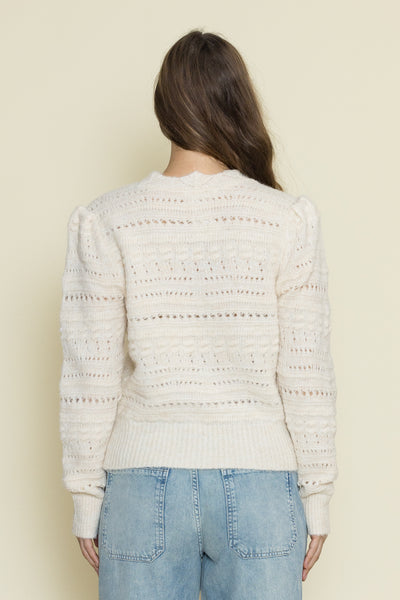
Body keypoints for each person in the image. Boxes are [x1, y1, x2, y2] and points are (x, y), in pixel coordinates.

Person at [58, 28, 338, 599]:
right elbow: (306, 368)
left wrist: (86, 496)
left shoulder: (107, 219)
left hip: (142, 488)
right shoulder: (286, 219)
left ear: (164, 108)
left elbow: (91, 371)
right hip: (262, 487)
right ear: (238, 104)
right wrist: (318, 493)